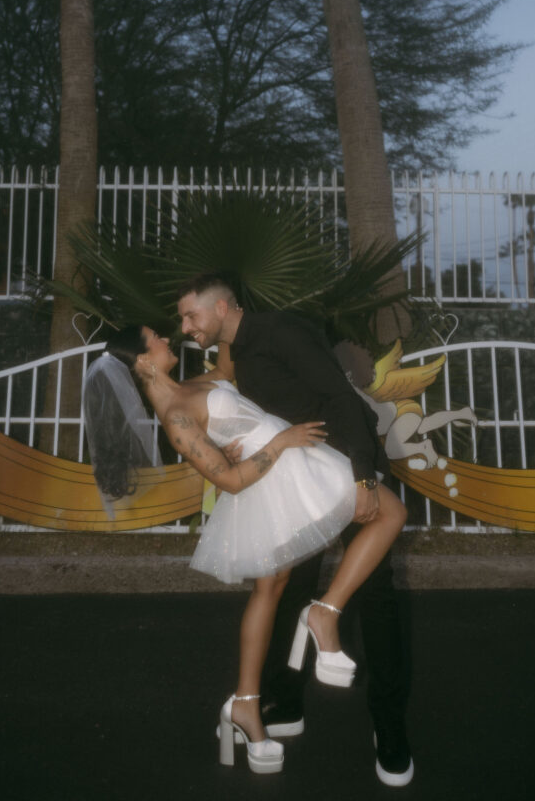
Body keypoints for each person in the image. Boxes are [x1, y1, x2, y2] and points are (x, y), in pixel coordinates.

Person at [82, 325, 406, 777]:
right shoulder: (175, 417)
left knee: (273, 587)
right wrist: (282, 441)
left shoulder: (194, 384)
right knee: (380, 518)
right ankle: (310, 631)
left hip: (291, 470)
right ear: (141, 361)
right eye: (154, 337)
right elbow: (229, 481)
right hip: (275, 473)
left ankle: (253, 697)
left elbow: (231, 361)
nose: (165, 337)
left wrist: (216, 315)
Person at [177, 273, 415, 787]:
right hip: (297, 476)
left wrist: (362, 478)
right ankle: (285, 700)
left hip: (349, 467)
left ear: (221, 308)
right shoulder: (232, 356)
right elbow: (236, 408)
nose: (184, 326)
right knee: (289, 586)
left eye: (191, 315)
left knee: (377, 597)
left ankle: (390, 726)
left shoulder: (280, 331)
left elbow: (341, 398)